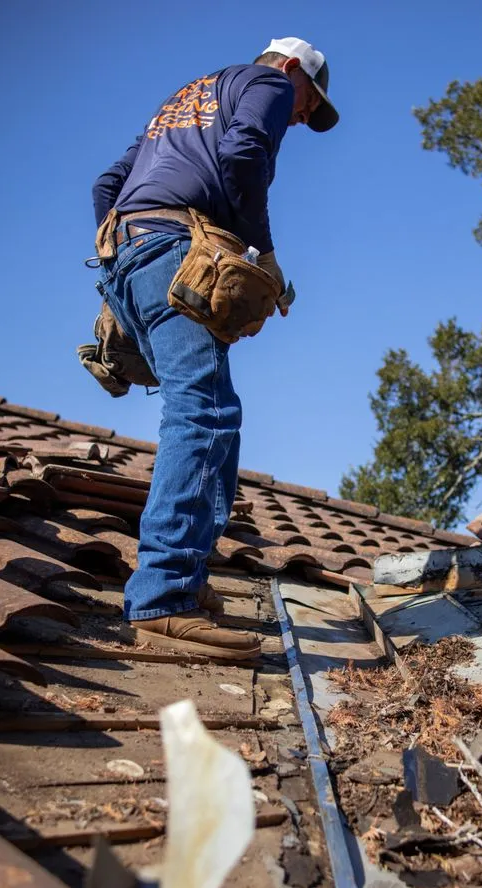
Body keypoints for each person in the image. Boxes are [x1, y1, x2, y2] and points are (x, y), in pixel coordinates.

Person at [91, 37, 338, 661]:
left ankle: (186, 578)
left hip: (128, 251)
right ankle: (163, 596)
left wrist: (123, 259)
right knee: (201, 412)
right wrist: (263, 251)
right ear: (290, 71)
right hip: (170, 246)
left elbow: (108, 184)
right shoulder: (270, 85)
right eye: (311, 101)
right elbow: (244, 152)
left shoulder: (186, 98)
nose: (304, 116)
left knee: (217, 414)